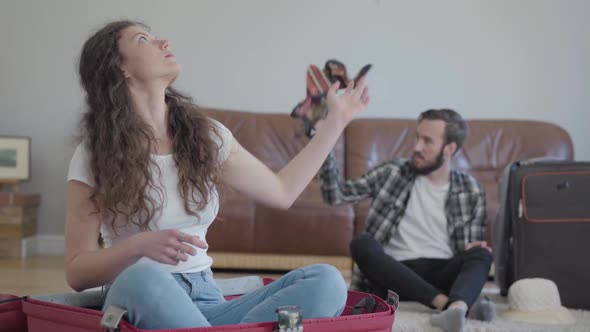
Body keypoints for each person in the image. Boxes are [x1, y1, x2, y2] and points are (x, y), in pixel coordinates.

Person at [65, 20, 370, 329]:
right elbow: (77, 273)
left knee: (326, 280)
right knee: (142, 276)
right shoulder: (94, 154)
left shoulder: (206, 136)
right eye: (144, 39)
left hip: (210, 303)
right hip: (140, 295)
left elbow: (283, 191)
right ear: (120, 68)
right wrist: (137, 246)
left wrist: (336, 121)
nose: (165, 43)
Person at [319, 109, 494, 332]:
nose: (416, 147)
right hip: (392, 274)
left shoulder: (471, 190)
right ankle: (447, 305)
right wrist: (323, 144)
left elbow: (470, 246)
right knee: (362, 243)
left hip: (441, 273)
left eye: (427, 141)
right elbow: (336, 195)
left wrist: (473, 250)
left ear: (449, 149)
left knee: (482, 254)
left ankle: (458, 306)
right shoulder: (392, 172)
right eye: (417, 137)